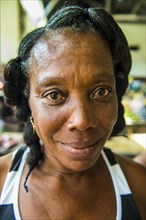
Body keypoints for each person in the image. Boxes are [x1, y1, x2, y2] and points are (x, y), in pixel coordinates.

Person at [0, 5, 145, 220]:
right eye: (54, 95)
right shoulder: (3, 184)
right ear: (29, 103)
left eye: (101, 91)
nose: (82, 121)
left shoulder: (140, 186)